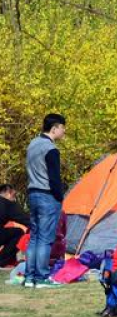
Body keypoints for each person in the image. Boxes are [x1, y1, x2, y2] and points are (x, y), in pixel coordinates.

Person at [25, 113, 66, 288]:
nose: (64, 132)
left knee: (34, 236)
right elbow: (54, 178)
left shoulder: (32, 144)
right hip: (47, 195)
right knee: (46, 238)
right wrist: (60, 196)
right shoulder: (51, 149)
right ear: (55, 128)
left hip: (32, 193)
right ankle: (41, 277)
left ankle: (29, 276)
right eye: (63, 128)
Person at [0, 184, 30, 267]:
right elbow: (24, 219)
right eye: (14, 195)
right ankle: (2, 260)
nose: (14, 199)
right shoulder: (6, 203)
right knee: (18, 232)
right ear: (8, 192)